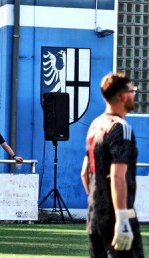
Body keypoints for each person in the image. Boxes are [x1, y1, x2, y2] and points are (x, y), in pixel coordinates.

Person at [81, 72, 143, 256]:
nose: (134, 95)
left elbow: (85, 173)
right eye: (132, 91)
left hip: (95, 217)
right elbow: (118, 175)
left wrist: (98, 202)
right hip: (118, 217)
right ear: (123, 96)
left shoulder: (95, 125)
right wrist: (122, 217)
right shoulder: (120, 127)